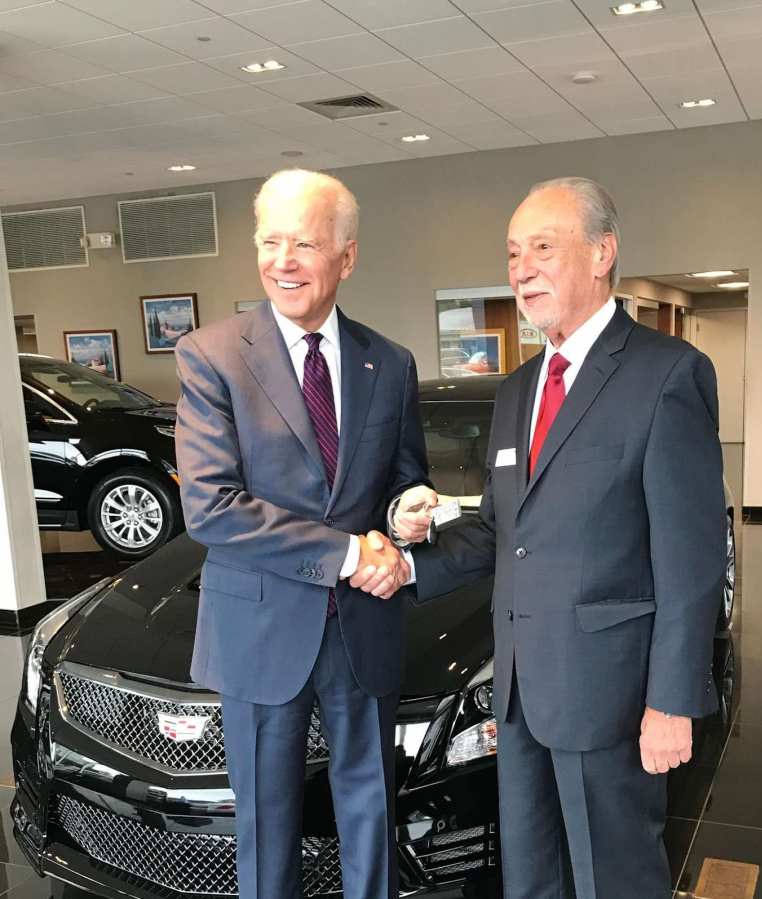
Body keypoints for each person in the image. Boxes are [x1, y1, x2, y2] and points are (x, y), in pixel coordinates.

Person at [395, 176, 725, 898]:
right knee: (532, 876)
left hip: (610, 693)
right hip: (519, 694)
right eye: (514, 253)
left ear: (602, 253)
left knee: (616, 879)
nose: (521, 268)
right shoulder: (517, 390)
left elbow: (692, 561)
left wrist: (671, 701)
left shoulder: (667, 375)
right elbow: (499, 529)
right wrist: (402, 565)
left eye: (543, 247)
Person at [175, 168, 431, 899]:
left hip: (363, 627)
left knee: (371, 812)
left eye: (305, 244)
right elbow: (213, 507)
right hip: (259, 629)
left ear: (346, 258)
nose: (283, 260)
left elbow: (398, 484)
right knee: (266, 825)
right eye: (270, 241)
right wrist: (351, 552)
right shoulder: (211, 356)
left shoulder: (390, 362)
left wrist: (404, 515)